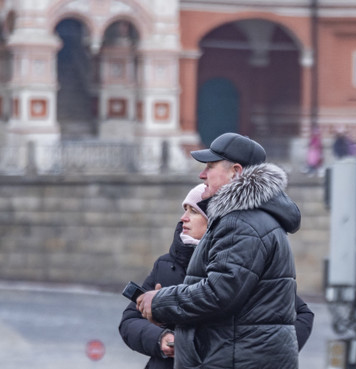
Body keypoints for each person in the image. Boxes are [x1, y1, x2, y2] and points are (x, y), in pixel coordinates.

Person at [137, 132, 302, 369]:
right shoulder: (254, 218)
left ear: (235, 172)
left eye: (210, 166)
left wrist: (160, 302)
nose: (201, 174)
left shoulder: (241, 222)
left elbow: (219, 293)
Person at [119, 183, 314, 368]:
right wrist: (161, 338)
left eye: (194, 211)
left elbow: (300, 316)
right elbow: (129, 321)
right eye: (185, 210)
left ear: (214, 222)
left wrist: (260, 355)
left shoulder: (240, 263)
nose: (183, 218)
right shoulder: (166, 264)